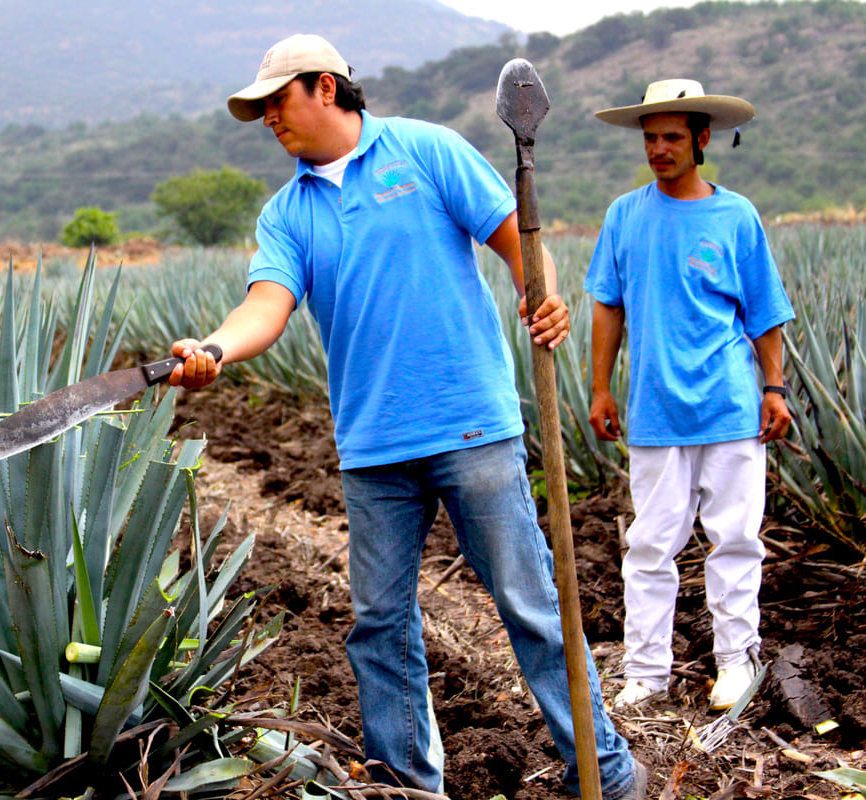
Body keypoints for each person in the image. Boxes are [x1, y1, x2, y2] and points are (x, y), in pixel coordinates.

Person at [169, 33, 645, 799]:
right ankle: (407, 787)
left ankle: (607, 771)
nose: (267, 120)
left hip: (472, 428)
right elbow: (267, 306)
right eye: (257, 110)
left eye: (276, 102)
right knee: (379, 629)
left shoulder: (426, 151)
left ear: (326, 87)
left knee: (529, 607)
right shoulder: (287, 213)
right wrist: (216, 351)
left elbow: (521, 239)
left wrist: (541, 293)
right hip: (372, 449)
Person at [586, 80, 795, 712]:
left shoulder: (736, 215)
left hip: (730, 406)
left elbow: (763, 313)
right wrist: (600, 386)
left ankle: (736, 661)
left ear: (702, 140)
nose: (659, 149)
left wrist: (775, 387)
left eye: (672, 137)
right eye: (650, 139)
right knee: (650, 547)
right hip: (654, 409)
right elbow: (606, 304)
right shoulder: (626, 214)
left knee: (734, 539)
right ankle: (647, 673)